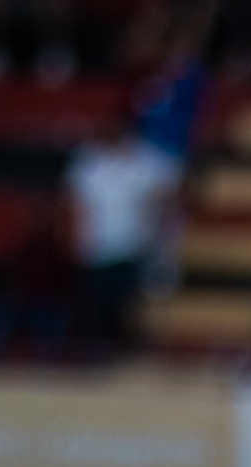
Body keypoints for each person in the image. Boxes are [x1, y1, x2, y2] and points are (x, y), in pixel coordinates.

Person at [65, 127, 172, 353]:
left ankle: (128, 348)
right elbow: (78, 205)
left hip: (133, 246)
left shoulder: (146, 161)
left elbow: (164, 197)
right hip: (99, 248)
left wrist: (154, 234)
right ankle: (103, 347)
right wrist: (78, 240)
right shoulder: (91, 164)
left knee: (129, 303)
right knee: (101, 303)